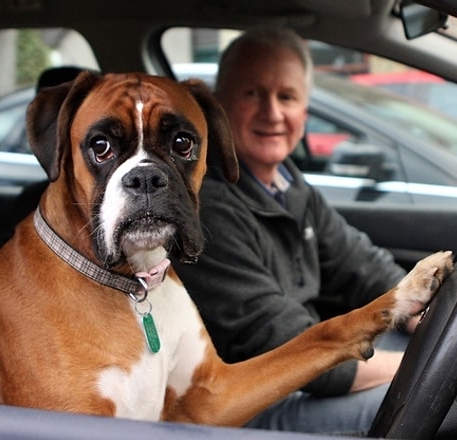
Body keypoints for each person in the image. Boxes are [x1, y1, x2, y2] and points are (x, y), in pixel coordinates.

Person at [173, 27, 413, 435]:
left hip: (308, 365)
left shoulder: (285, 181)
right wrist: (420, 364)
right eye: (252, 94)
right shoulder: (206, 206)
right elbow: (292, 353)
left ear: (304, 111)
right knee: (423, 397)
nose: (272, 113)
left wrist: (420, 312)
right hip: (252, 405)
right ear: (219, 105)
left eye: (286, 97)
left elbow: (362, 265)